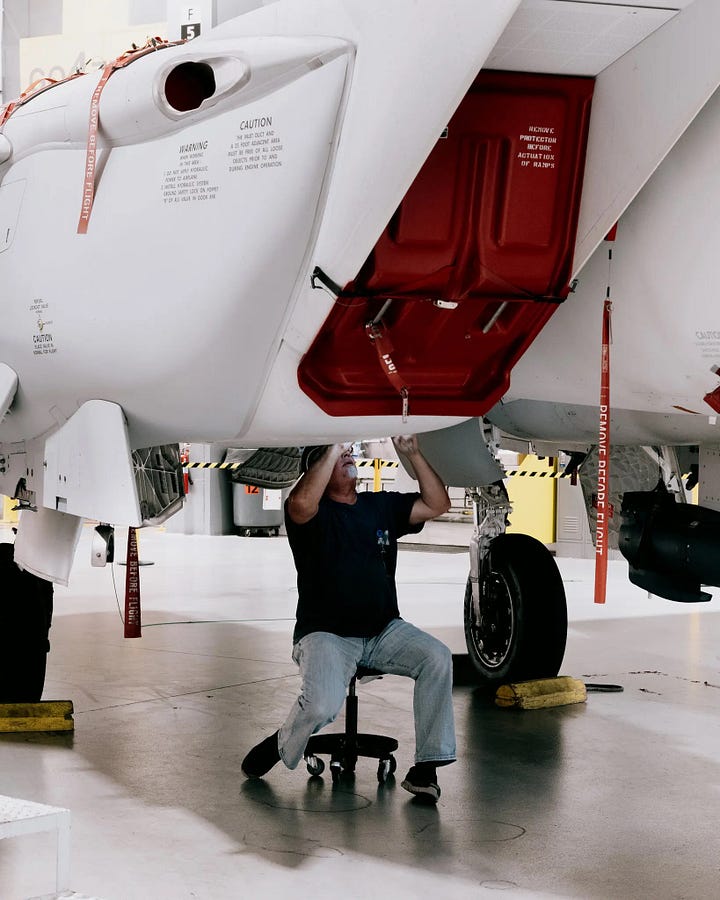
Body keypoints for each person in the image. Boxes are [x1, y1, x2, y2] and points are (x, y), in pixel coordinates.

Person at [241, 436, 456, 802]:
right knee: (322, 705)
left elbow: (438, 504)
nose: (348, 456)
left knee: (437, 657)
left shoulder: (379, 506)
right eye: (339, 455)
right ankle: (282, 743)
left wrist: (412, 453)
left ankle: (425, 768)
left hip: (383, 629)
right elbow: (300, 501)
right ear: (318, 470)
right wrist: (330, 448)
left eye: (348, 453)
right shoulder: (309, 514)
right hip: (326, 634)